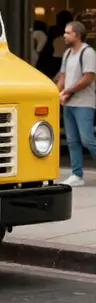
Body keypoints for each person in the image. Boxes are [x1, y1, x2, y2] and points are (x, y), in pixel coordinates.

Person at [55, 20, 96, 187]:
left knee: (87, 140)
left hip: (84, 103)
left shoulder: (88, 53)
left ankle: (77, 174)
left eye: (67, 32)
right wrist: (57, 93)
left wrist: (67, 92)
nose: (64, 35)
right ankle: (76, 174)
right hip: (69, 103)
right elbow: (62, 76)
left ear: (77, 35)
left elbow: (88, 77)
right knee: (72, 141)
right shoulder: (67, 54)